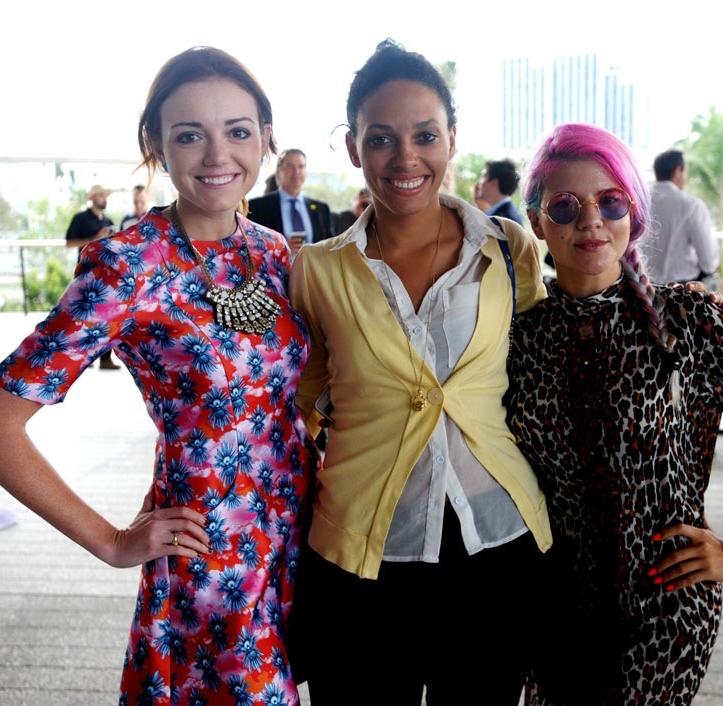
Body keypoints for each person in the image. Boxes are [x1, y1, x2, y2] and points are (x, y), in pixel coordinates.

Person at [0, 46, 318, 705]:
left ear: (267, 140)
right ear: (155, 143)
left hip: (296, 537)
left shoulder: (270, 250)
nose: (217, 156)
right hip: (209, 551)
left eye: (238, 131)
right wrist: (112, 542)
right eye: (189, 135)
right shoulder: (128, 263)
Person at [505, 123, 723, 705]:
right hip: (552, 611)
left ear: (632, 212)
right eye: (565, 206)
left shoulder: (686, 321)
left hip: (664, 610)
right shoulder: (517, 337)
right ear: (538, 222)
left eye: (609, 201)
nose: (590, 220)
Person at [288, 39, 552, 705]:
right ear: (354, 149)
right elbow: (301, 397)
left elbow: (545, 370)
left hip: (499, 545)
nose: (406, 158)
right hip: (361, 558)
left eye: (425, 135)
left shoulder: (506, 247)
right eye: (381, 139)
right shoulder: (316, 271)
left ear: (452, 140)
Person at [641, 149, 719, 287]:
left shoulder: (640, 201)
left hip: (642, 288)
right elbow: (708, 262)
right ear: (677, 171)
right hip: (681, 291)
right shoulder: (691, 205)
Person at [65, 184, 120, 369]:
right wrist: (94, 238)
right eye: (102, 195)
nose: (105, 199)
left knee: (107, 317)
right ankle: (82, 358)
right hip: (86, 272)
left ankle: (105, 359)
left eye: (106, 195)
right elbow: (69, 243)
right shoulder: (80, 218)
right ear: (93, 198)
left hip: (106, 273)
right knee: (82, 317)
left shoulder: (109, 220)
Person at [247, 148, 335, 259]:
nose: (296, 171)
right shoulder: (258, 207)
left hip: (313, 273)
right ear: (278, 172)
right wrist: (281, 248)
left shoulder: (321, 209)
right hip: (275, 271)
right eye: (290, 166)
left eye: (301, 166)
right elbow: (250, 245)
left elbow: (331, 245)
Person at [474, 158, 525, 225]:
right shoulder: (506, 216)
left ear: (494, 183)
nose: (479, 182)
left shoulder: (503, 221)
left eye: (484, 176)